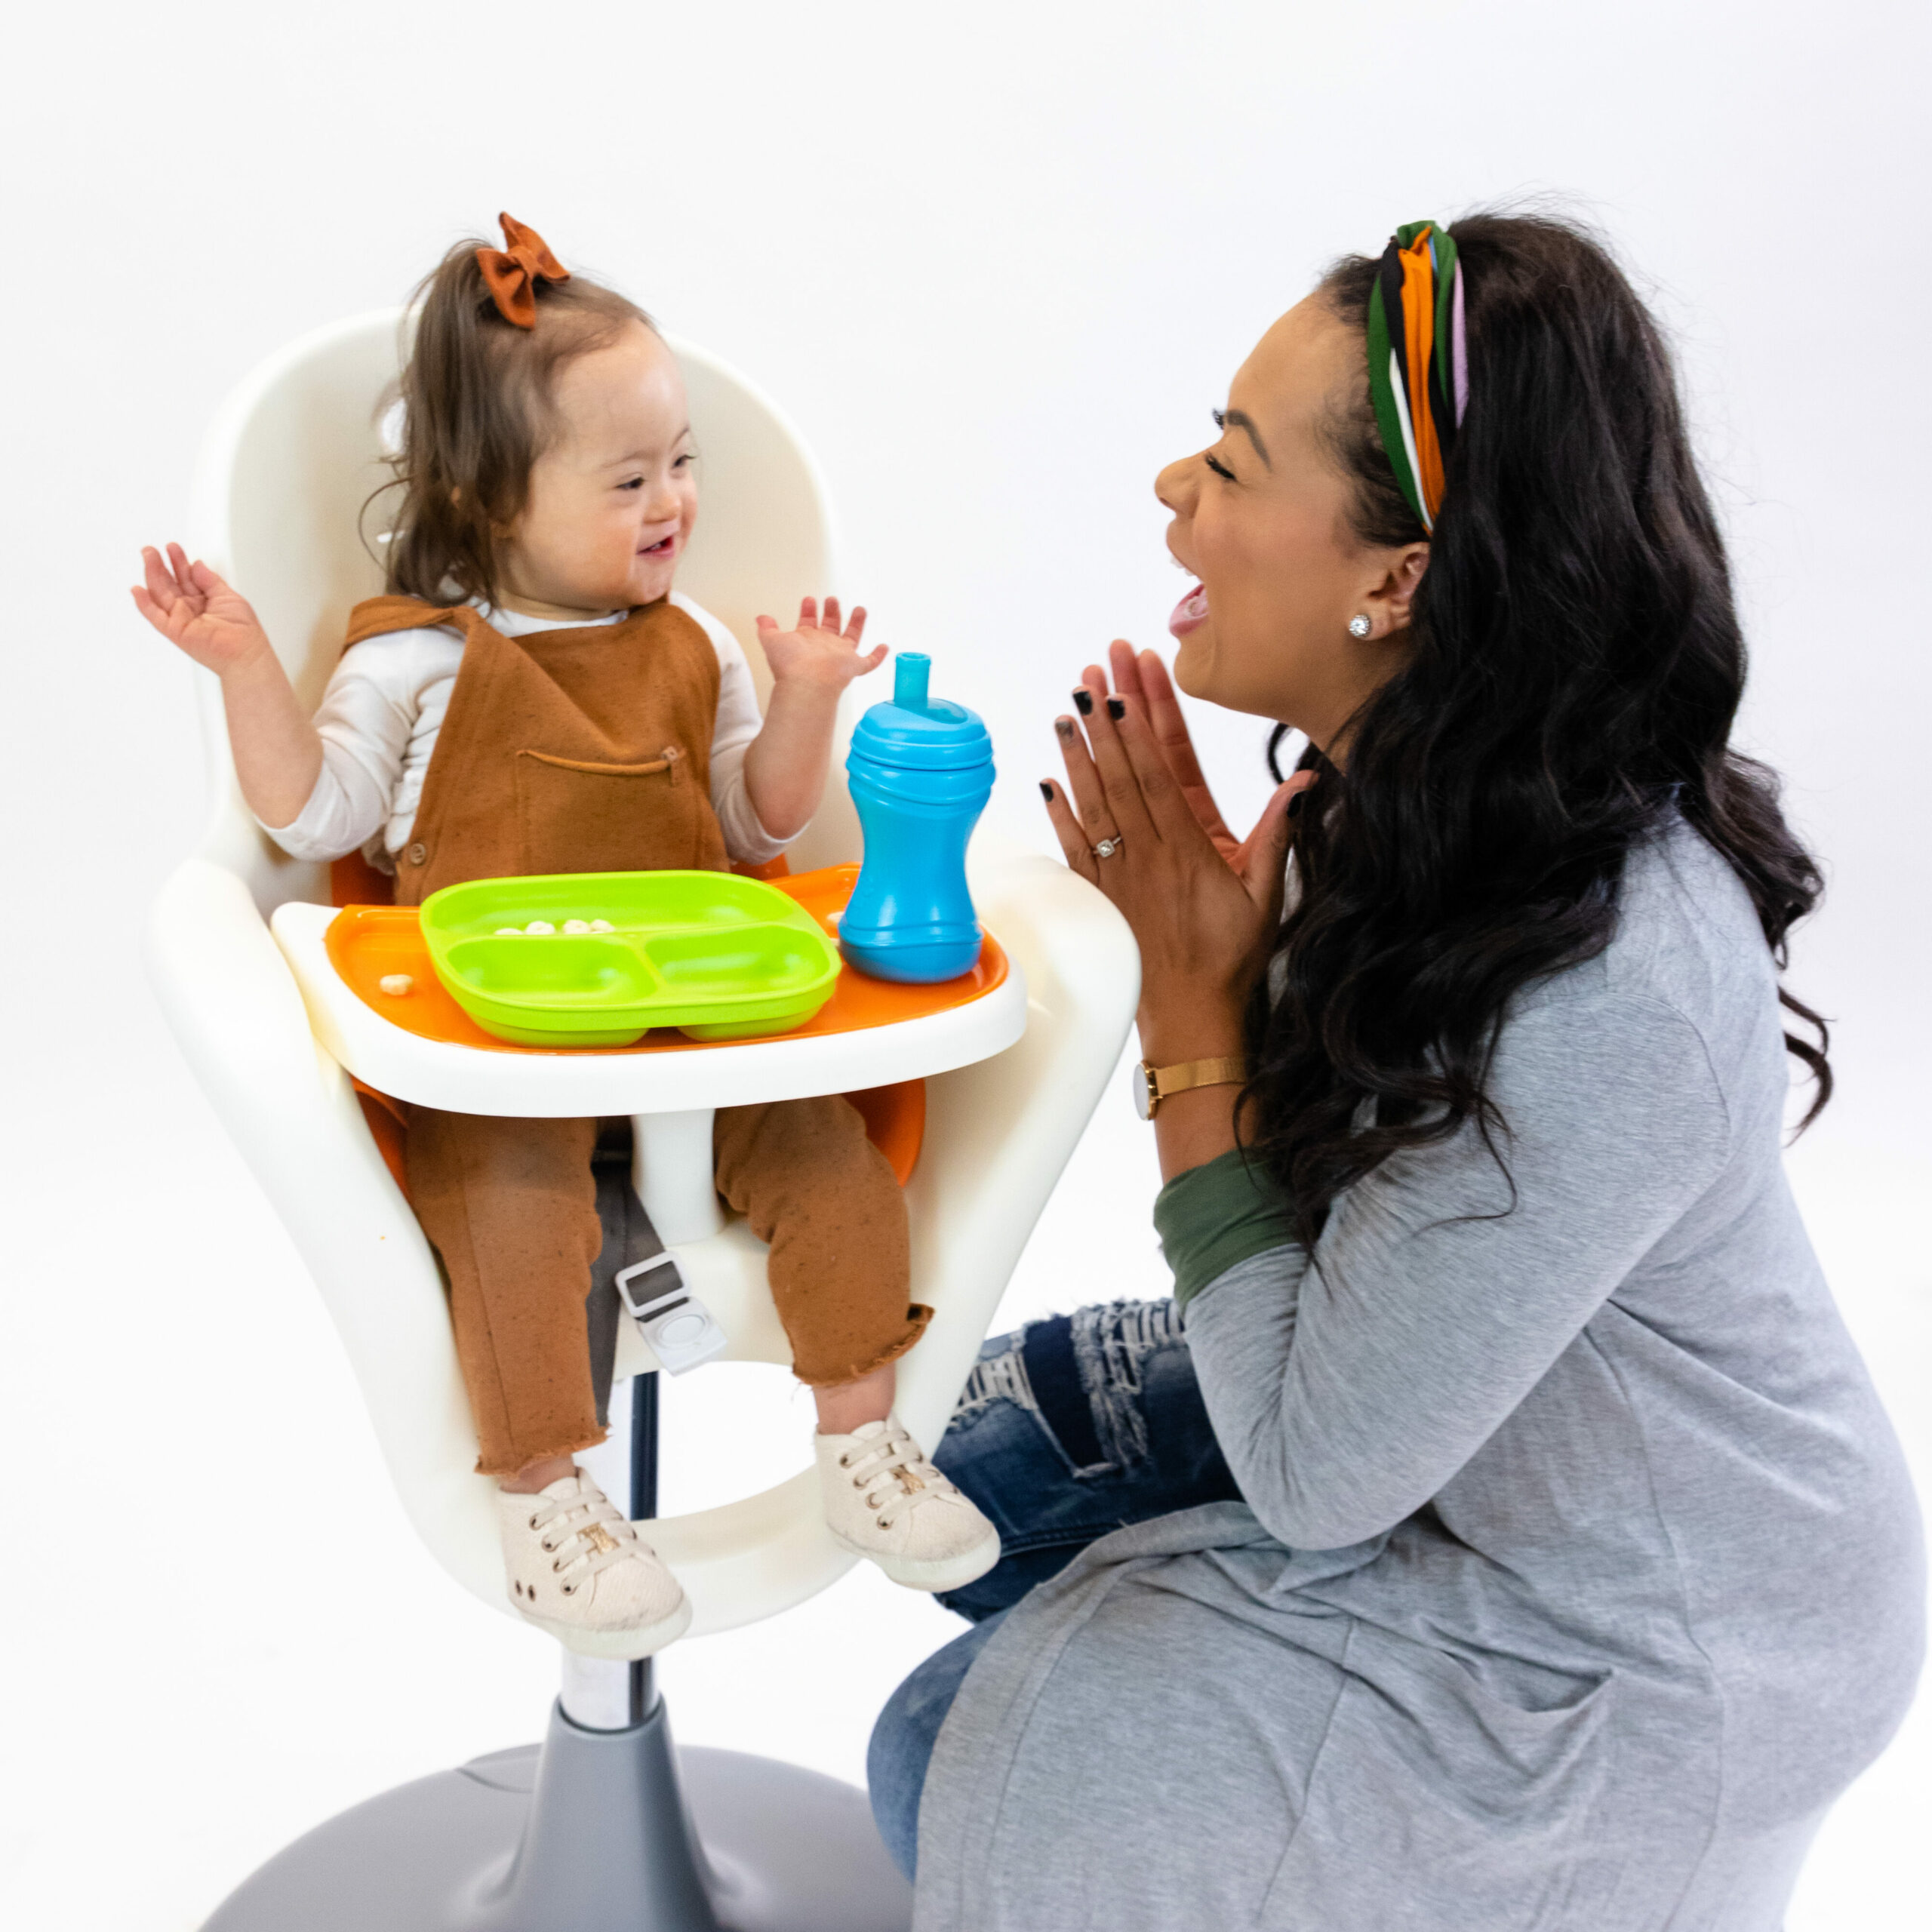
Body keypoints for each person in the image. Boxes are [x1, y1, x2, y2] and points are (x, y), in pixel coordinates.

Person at [867, 213, 1924, 1930]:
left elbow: (1309, 1473)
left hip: (1674, 1645)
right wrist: (1225, 948)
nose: (1167, 487)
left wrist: (1193, 1021)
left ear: (1398, 579)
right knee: (969, 1455)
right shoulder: (1426, 802)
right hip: (1464, 1437)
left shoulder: (1608, 983)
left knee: (947, 1748)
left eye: (1226, 459)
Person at [132, 214, 998, 1660]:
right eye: (630, 477)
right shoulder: (410, 657)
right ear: (486, 498)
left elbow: (765, 831)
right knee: (514, 1220)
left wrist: (804, 699)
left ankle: (865, 1443)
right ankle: (546, 1502)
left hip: (704, 1022)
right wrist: (238, 668)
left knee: (834, 1166)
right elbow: (306, 813)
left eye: (682, 463)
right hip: (501, 1050)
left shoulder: (698, 644)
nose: (676, 500)